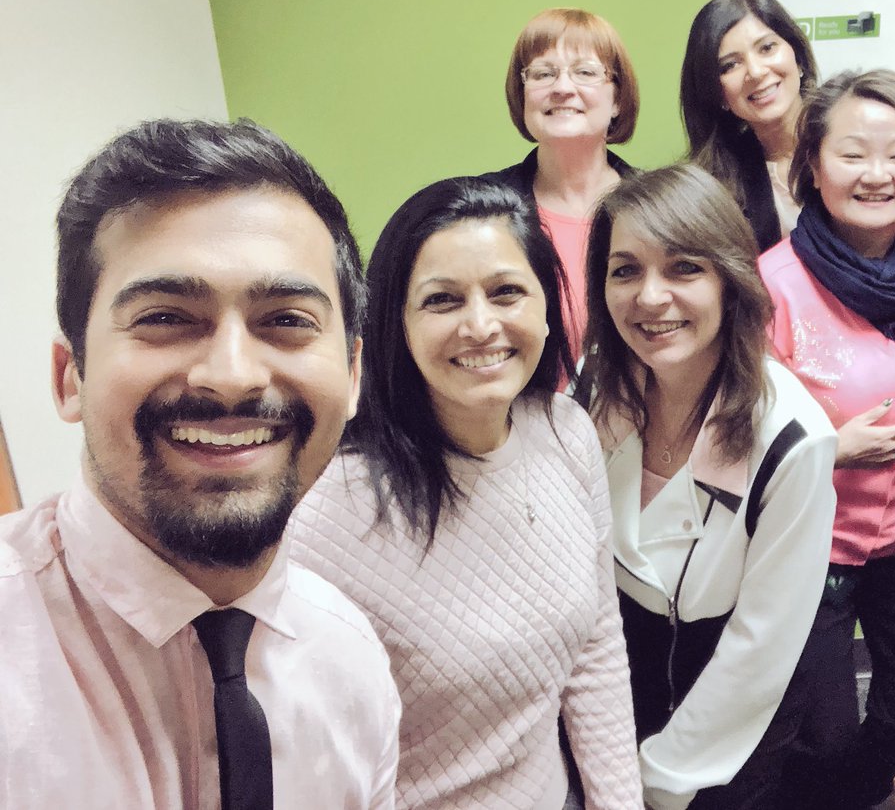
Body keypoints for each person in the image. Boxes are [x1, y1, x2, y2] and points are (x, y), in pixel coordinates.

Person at [0, 119, 401, 808]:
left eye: (287, 319)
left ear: (354, 372)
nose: (232, 376)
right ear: (70, 376)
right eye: (164, 316)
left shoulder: (350, 659)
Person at [289, 177, 642, 809]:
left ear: (546, 304)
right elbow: (305, 748)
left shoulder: (566, 432)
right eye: (442, 300)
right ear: (394, 322)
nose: (481, 326)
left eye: (506, 292)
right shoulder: (328, 508)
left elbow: (596, 648)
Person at [582, 164, 839, 809]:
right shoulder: (594, 387)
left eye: (683, 269)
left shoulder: (792, 439)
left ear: (731, 279)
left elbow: (759, 650)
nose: (649, 297)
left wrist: (656, 782)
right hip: (614, 691)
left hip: (731, 719)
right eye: (625, 270)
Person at [758, 69, 895, 808]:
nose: (878, 174)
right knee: (821, 734)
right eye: (853, 154)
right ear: (812, 165)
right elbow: (728, 437)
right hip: (811, 552)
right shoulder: (772, 286)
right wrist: (826, 448)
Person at [484, 7, 640, 357]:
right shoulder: (482, 212)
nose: (562, 88)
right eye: (543, 73)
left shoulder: (661, 208)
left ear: (617, 98)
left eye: (585, 72)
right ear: (522, 93)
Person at [680, 0, 820, 252]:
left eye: (767, 48)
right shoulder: (714, 189)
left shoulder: (852, 141)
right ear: (716, 93)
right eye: (729, 65)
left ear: (798, 58)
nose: (755, 72)